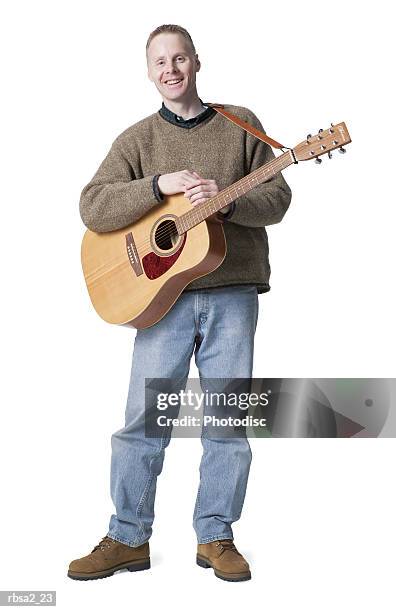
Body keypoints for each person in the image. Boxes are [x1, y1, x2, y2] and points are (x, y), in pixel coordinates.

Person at [68, 24, 292, 582]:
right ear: (149, 72)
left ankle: (216, 535)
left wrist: (227, 205)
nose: (171, 69)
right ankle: (127, 537)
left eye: (180, 58)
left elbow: (277, 196)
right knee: (143, 421)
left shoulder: (240, 124)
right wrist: (156, 185)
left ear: (197, 62)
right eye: (160, 62)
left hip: (233, 293)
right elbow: (92, 206)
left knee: (227, 421)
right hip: (161, 300)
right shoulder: (137, 140)